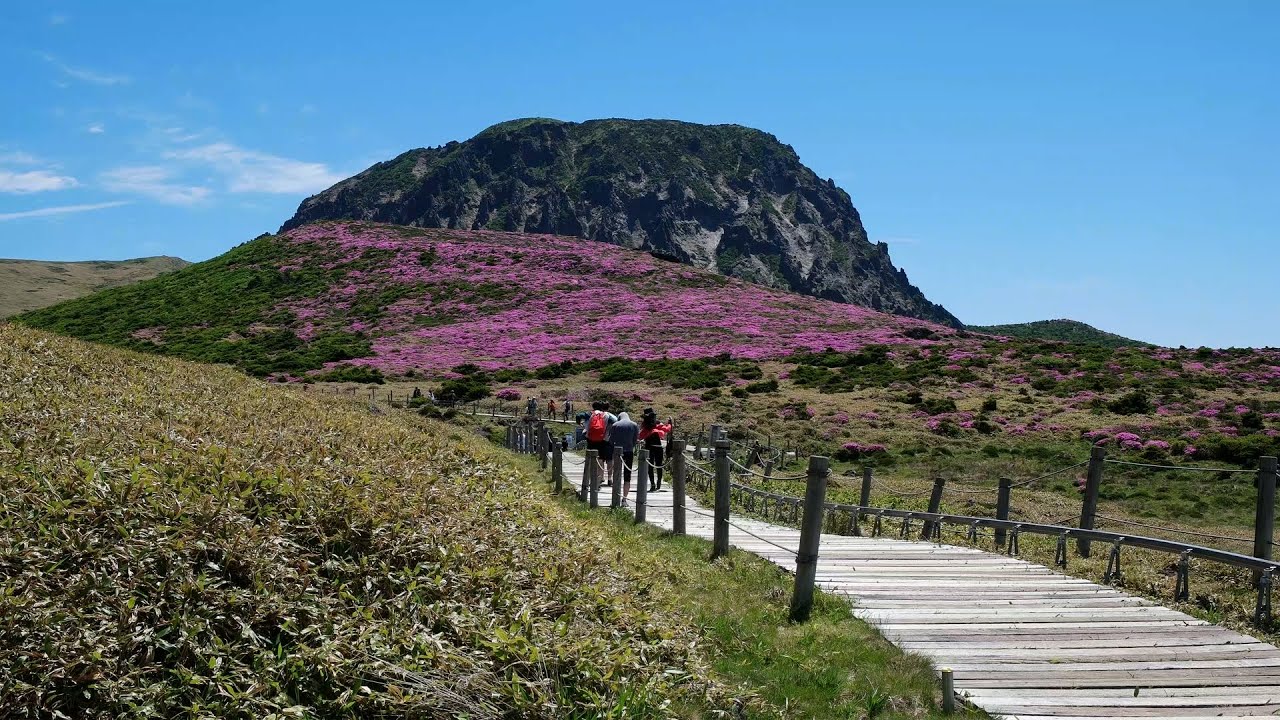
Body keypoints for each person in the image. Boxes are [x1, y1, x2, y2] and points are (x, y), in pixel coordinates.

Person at [607, 411, 640, 502]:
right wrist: (630, 446)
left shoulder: (615, 425)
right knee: (627, 475)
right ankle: (624, 498)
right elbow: (635, 440)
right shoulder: (634, 425)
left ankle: (615, 496)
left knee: (617, 473)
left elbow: (611, 440)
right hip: (629, 452)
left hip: (617, 452)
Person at [638, 409, 673, 492]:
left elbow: (640, 436)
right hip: (658, 447)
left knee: (650, 466)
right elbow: (668, 429)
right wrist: (670, 423)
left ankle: (652, 484)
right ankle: (658, 482)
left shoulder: (645, 426)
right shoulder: (658, 424)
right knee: (659, 465)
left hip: (648, 448)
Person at [585, 402, 617, 484]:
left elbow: (586, 426)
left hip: (596, 440)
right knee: (609, 459)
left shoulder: (592, 415)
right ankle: (610, 478)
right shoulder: (610, 415)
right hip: (607, 440)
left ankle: (600, 478)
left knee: (599, 459)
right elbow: (616, 422)